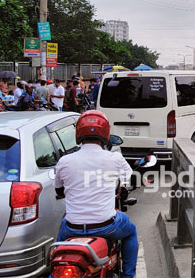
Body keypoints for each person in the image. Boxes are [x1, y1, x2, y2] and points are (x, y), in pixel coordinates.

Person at [54, 110, 138, 278]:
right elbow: (129, 180)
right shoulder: (114, 158)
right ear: (105, 134)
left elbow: (59, 190)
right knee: (131, 232)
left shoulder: (65, 161)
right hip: (106, 225)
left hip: (73, 227)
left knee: (59, 243)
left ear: (78, 133)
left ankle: (56, 267)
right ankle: (128, 275)